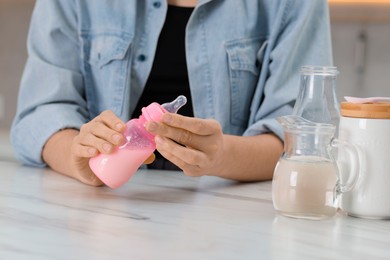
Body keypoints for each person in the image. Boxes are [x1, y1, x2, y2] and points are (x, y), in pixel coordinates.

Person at [11, 0, 333, 186]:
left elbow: (303, 139)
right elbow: (39, 112)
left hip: (229, 220)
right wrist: (76, 155)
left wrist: (221, 156)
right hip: (103, 217)